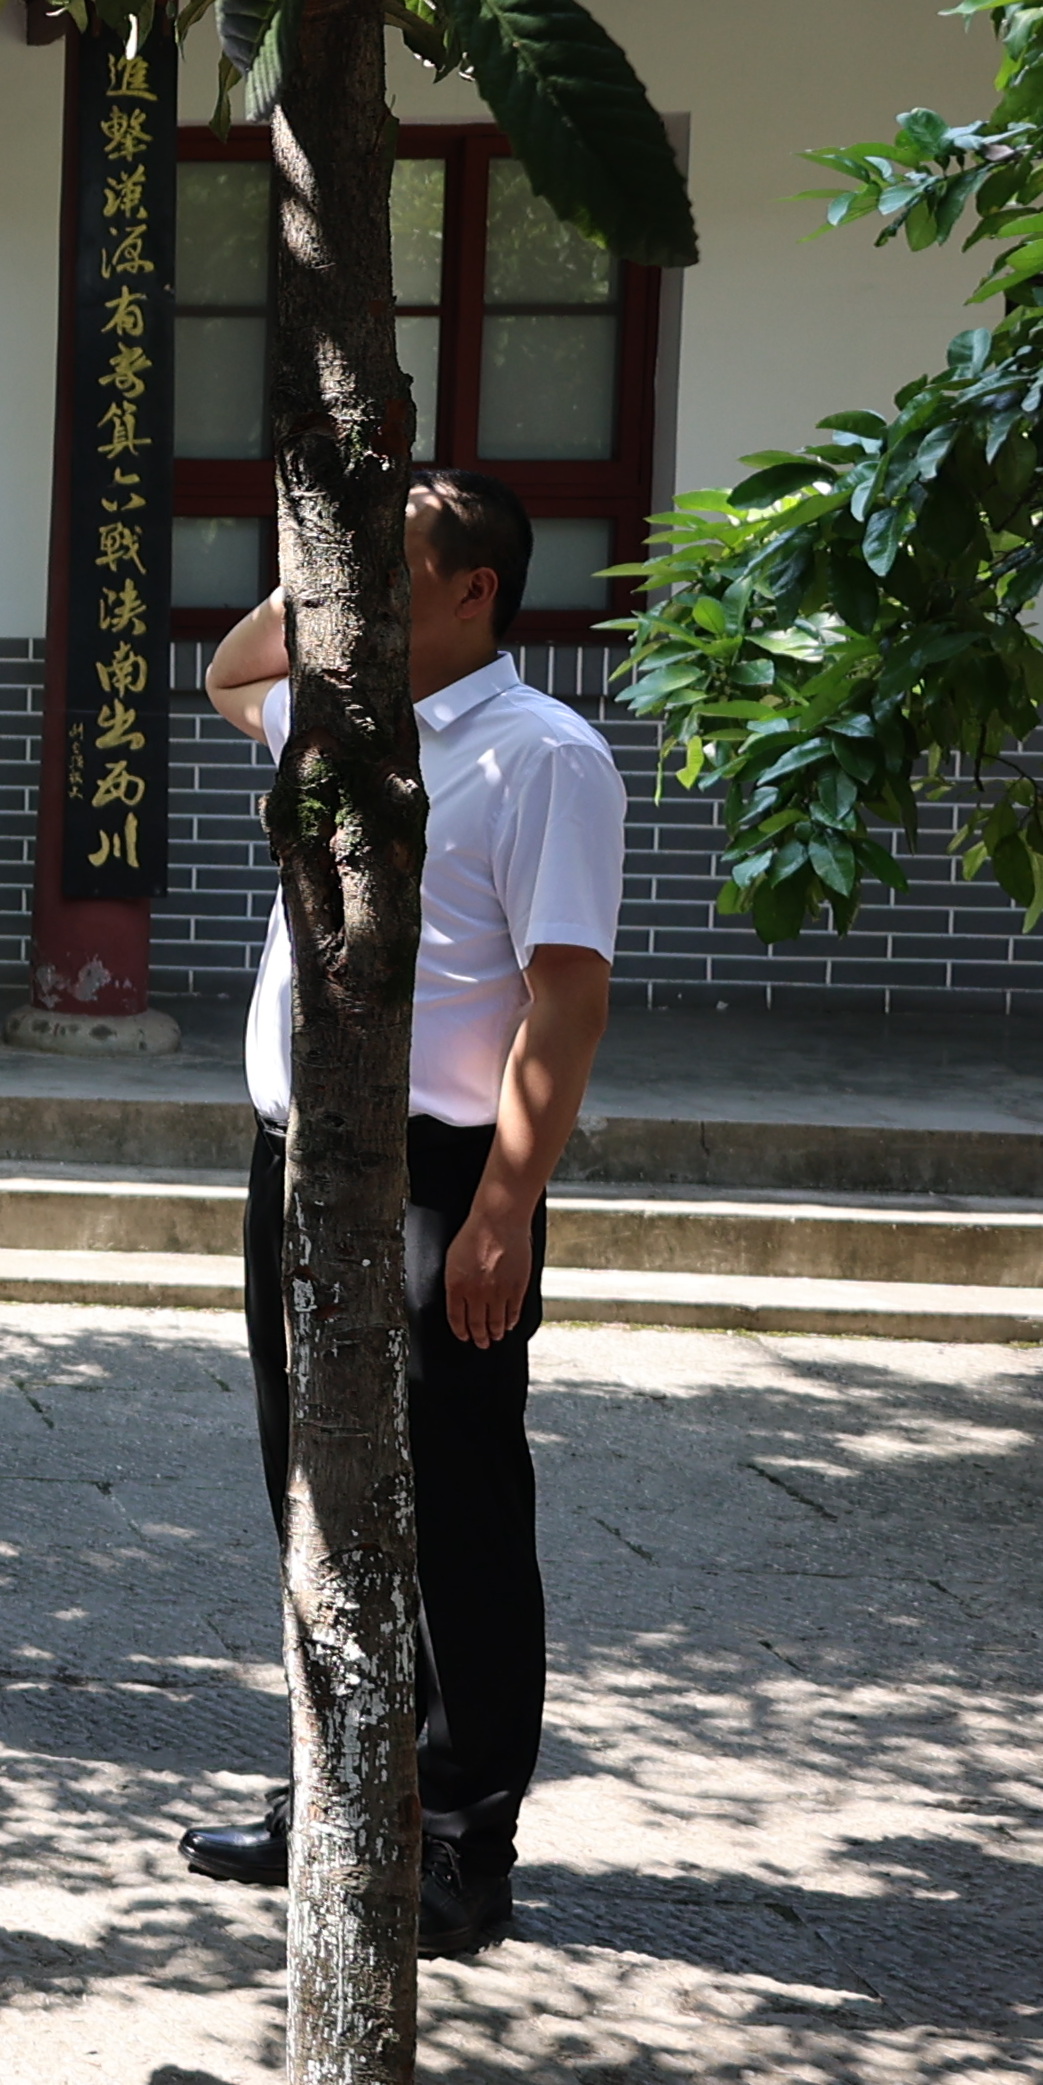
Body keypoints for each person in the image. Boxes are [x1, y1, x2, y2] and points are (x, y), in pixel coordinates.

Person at [175, 469, 617, 1957]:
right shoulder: (335, 726)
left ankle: (456, 1836)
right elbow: (231, 666)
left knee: (457, 1508)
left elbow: (567, 994)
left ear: (476, 588)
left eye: (386, 565)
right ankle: (335, 1797)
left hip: (440, 1179)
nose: (341, 590)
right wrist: (323, 572)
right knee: (306, 1478)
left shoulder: (544, 757)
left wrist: (504, 1211)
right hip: (296, 1150)